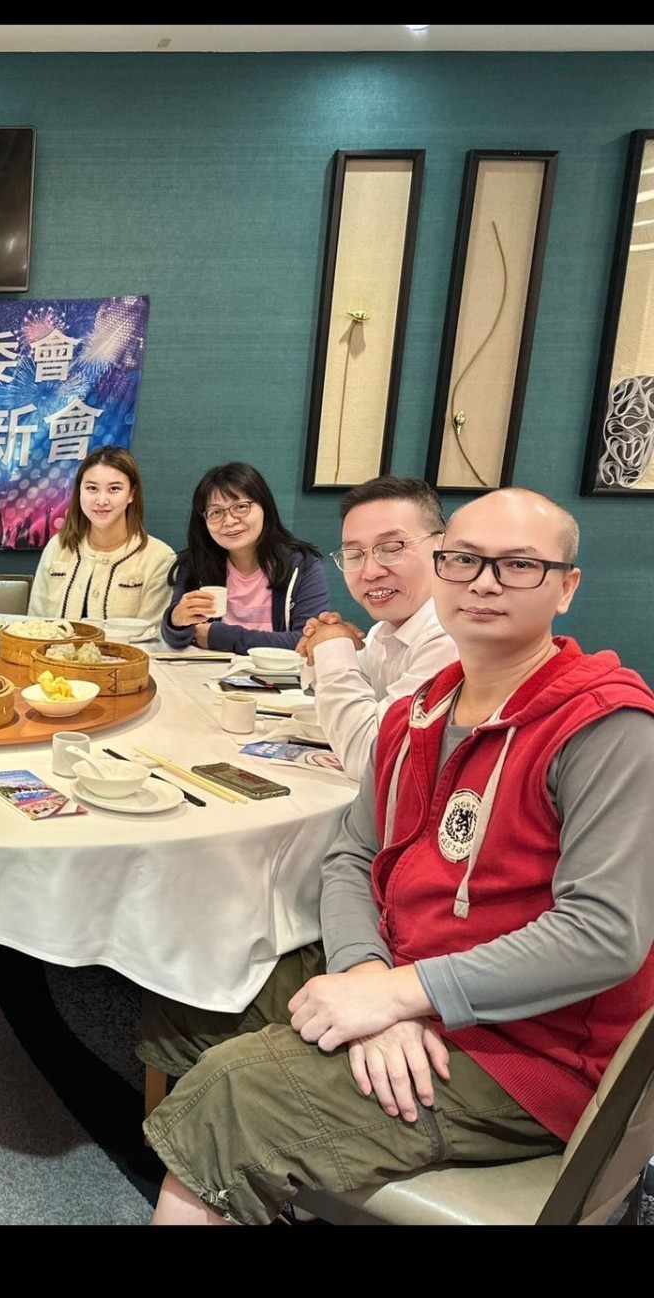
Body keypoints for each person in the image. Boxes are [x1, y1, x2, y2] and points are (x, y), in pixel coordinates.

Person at [141, 486, 654, 1225]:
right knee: (200, 982)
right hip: (411, 972)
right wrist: (368, 980)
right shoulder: (421, 710)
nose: (483, 583)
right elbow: (353, 856)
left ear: (566, 587)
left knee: (236, 1092)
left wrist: (403, 995)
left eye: (518, 565)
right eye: (464, 560)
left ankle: (234, 1152)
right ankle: (244, 1174)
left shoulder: (607, 728)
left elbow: (604, 935)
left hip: (532, 1050)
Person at [295, 474, 460, 781]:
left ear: (443, 547)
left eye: (392, 548)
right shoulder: (386, 630)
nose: (370, 572)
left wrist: (332, 644)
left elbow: (370, 759)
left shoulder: (451, 636)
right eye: (354, 555)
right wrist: (334, 643)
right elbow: (331, 691)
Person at [160, 461, 328, 652]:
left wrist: (222, 637)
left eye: (241, 507)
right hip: (209, 670)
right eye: (216, 512)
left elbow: (309, 640)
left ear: (265, 507)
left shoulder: (303, 566)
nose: (229, 521)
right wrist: (176, 620)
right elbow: (175, 638)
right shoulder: (195, 564)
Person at [26, 446, 175, 623]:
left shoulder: (160, 558)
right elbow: (34, 625)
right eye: (92, 488)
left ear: (131, 494)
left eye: (114, 489)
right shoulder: (58, 546)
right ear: (79, 491)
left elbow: (153, 634)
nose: (102, 500)